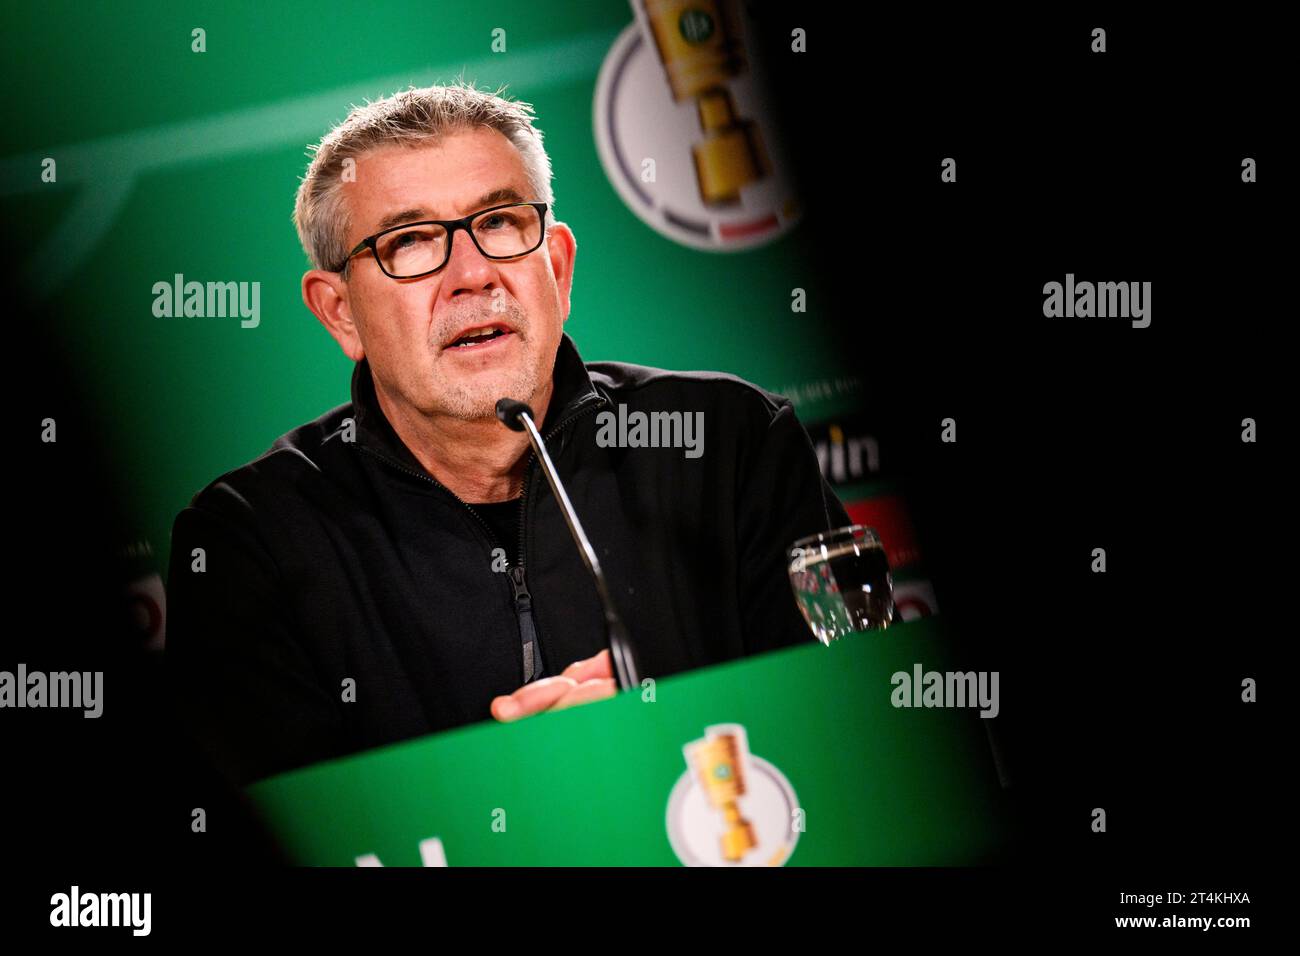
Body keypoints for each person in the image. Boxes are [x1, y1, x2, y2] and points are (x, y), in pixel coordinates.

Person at [166, 80, 849, 788]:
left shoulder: (732, 446)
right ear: (340, 313)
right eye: (409, 241)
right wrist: (516, 791)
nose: (472, 274)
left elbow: (865, 739)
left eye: (498, 223)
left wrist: (671, 736)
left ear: (556, 264)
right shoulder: (251, 544)